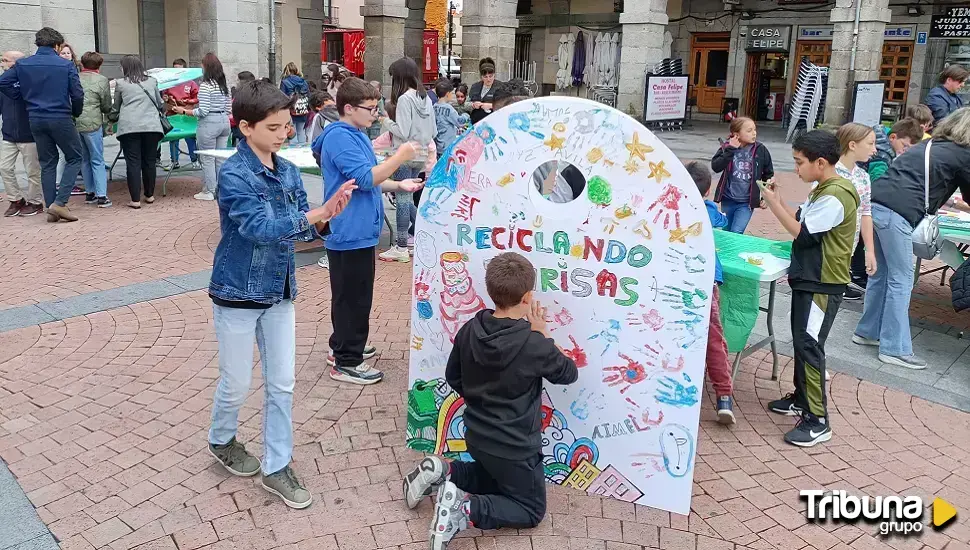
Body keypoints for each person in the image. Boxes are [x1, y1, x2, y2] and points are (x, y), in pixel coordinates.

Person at [206, 79, 355, 510]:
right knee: (235, 384)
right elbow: (260, 229)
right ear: (245, 127)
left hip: (280, 290)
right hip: (236, 290)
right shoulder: (234, 174)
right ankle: (222, 439)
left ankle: (277, 466)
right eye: (274, 128)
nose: (284, 134)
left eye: (287, 126)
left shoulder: (287, 169)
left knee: (282, 384)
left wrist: (325, 220)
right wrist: (318, 213)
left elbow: (297, 228)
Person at [401, 252, 578, 550]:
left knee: (493, 478)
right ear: (528, 297)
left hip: (478, 437)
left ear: (490, 290)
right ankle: (465, 510)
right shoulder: (534, 344)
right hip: (515, 447)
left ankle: (444, 473)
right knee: (531, 509)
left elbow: (453, 376)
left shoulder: (471, 328)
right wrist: (544, 334)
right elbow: (568, 373)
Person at [313, 77, 424, 384]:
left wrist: (398, 183)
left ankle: (344, 345)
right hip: (349, 229)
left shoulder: (355, 133)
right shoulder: (340, 137)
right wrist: (400, 157)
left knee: (350, 294)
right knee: (354, 297)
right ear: (348, 108)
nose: (375, 114)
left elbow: (371, 178)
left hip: (358, 228)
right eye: (370, 108)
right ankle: (348, 359)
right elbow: (364, 177)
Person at [760, 130, 858, 447]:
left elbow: (802, 233)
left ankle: (817, 421)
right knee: (803, 343)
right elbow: (802, 218)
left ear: (819, 162)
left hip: (822, 283)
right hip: (810, 279)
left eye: (799, 163)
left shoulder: (835, 195)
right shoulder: (823, 188)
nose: (796, 169)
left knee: (810, 347)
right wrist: (778, 200)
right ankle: (802, 400)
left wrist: (772, 204)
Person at [855, 108, 970, 369]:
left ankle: (867, 331)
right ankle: (894, 348)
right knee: (902, 279)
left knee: (882, 275)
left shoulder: (931, 144)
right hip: (899, 213)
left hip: (876, 205)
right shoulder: (964, 154)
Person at [0, 27, 84, 223]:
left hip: (35, 118)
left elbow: (3, 82)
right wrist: (75, 112)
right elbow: (77, 94)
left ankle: (51, 206)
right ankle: (60, 203)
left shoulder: (23, 64)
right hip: (60, 116)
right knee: (75, 157)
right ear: (56, 46)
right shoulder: (65, 65)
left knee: (47, 162)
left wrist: (21, 96)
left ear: (37, 44)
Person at [684, 161, 736, 425]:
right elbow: (723, 221)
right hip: (706, 281)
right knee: (713, 338)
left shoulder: (674, 206)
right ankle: (724, 396)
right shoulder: (708, 209)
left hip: (679, 277)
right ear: (707, 191)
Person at [378, 57, 436, 263]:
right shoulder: (426, 98)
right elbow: (434, 130)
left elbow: (402, 131)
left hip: (404, 153)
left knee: (402, 199)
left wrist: (385, 120)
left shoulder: (404, 99)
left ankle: (401, 246)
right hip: (421, 153)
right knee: (407, 198)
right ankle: (427, 230)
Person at [109, 54, 164, 209]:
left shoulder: (121, 83)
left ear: (125, 67)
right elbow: (160, 103)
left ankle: (135, 200)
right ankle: (150, 195)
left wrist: (112, 119)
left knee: (133, 162)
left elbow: (116, 107)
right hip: (152, 126)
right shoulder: (152, 81)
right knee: (150, 161)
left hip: (130, 127)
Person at [175, 53, 231, 201]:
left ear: (206, 67)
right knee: (220, 159)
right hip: (224, 122)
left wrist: (185, 111)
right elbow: (229, 108)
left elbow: (203, 111)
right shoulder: (223, 85)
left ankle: (210, 191)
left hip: (209, 123)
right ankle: (221, 189)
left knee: (207, 158)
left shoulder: (206, 86)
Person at [833, 123, 877, 302]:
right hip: (827, 247)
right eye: (870, 143)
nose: (874, 150)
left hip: (848, 248)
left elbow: (866, 213)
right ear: (852, 145)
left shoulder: (862, 176)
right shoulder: (829, 171)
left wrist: (870, 250)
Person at [711, 116, 775, 234]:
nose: (754, 133)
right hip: (728, 199)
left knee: (737, 232)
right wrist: (730, 149)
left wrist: (766, 197)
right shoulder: (727, 147)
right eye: (749, 131)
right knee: (726, 231)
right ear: (737, 134)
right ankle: (726, 252)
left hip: (746, 202)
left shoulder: (760, 150)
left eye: (755, 130)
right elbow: (716, 166)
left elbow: (769, 174)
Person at [0, 51, 42, 217]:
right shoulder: (3, 84)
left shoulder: (30, 82)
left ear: (16, 64)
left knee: (33, 171)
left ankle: (35, 202)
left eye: (5, 60)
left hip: (29, 134)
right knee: (4, 168)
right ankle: (16, 199)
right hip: (9, 134)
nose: (2, 63)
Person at [76, 51, 112, 208]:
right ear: (100, 65)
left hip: (76, 122)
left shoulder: (75, 77)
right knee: (97, 159)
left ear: (82, 64)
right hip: (93, 124)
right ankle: (102, 195)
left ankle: (90, 193)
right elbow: (105, 105)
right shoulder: (102, 80)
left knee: (84, 159)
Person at [163, 58, 200, 170]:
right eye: (174, 69)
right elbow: (163, 96)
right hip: (172, 114)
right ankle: (174, 161)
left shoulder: (191, 83)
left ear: (185, 70)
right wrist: (166, 98)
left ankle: (194, 160)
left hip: (187, 114)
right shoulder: (169, 83)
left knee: (190, 138)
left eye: (179, 69)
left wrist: (187, 102)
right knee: (173, 138)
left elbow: (197, 98)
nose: (177, 72)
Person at [58, 42, 83, 194]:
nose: (67, 55)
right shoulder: (62, 72)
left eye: (68, 53)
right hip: (64, 114)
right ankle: (60, 183)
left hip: (71, 115)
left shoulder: (75, 70)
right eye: (63, 53)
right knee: (65, 153)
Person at [280, 62, 310, 145]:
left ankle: (293, 150)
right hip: (302, 108)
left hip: (290, 110)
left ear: (286, 70)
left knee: (292, 131)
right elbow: (309, 95)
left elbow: (282, 97)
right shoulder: (304, 82)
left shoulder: (285, 82)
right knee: (301, 131)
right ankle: (302, 150)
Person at [468, 58, 501, 124]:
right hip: (475, 123)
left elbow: (506, 105)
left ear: (494, 74)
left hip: (493, 123)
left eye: (490, 76)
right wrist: (473, 105)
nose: (488, 79)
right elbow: (465, 104)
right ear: (481, 76)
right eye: (485, 77)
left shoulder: (501, 87)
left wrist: (491, 106)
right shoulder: (475, 86)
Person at [433, 79, 461, 154]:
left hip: (438, 144)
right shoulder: (449, 108)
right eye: (452, 93)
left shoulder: (434, 106)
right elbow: (459, 122)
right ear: (447, 94)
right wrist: (465, 116)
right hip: (448, 145)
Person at [230, 71, 256, 146]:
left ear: (243, 82)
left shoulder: (243, 96)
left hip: (241, 127)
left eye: (238, 80)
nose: (236, 83)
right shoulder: (253, 94)